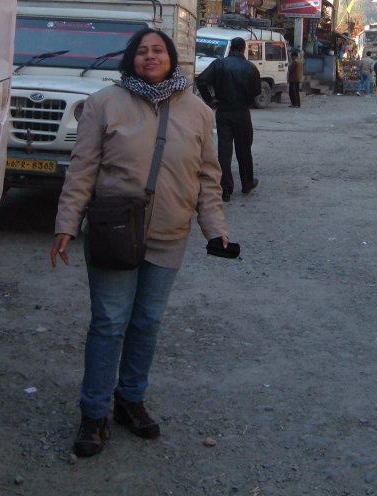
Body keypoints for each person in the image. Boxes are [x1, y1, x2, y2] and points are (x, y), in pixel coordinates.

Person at [51, 29, 229, 458]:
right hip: (114, 234)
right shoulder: (103, 104)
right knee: (109, 323)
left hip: (169, 235)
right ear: (131, 58)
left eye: (159, 50)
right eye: (142, 51)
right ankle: (94, 412)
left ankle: (130, 399)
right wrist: (66, 224)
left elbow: (208, 177)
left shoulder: (198, 111)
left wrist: (215, 229)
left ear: (172, 57)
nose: (151, 56)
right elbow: (82, 169)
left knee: (147, 322)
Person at [196, 36, 261, 201]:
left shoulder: (219, 64)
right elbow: (256, 92)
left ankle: (225, 189)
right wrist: (246, 99)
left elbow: (201, 81)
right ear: (243, 49)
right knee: (244, 149)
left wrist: (210, 100)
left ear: (231, 47)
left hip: (223, 111)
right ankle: (247, 183)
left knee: (224, 151)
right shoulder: (251, 67)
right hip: (242, 113)